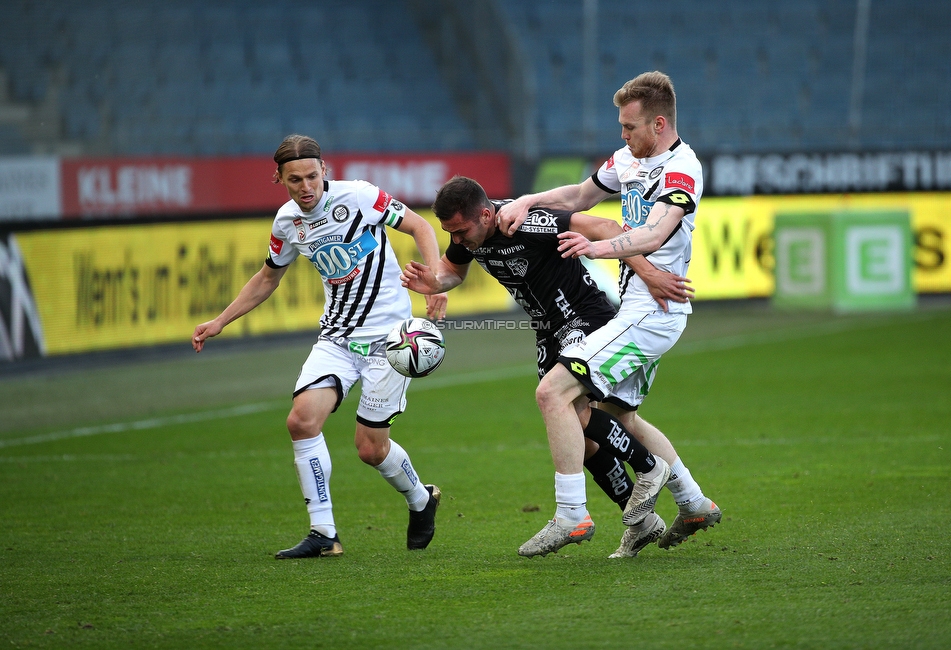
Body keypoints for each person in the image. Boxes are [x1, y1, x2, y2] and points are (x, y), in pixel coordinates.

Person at [403, 175, 706, 558]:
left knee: (565, 407)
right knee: (580, 438)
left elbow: (608, 227)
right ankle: (643, 521)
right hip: (548, 330)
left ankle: (641, 473)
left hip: (583, 319)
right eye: (451, 233)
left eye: (461, 231)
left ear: (485, 213)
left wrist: (647, 273)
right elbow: (453, 270)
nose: (458, 240)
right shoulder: (469, 233)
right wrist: (433, 283)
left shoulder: (528, 220)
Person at [496, 71, 722, 557]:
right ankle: (694, 502)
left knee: (553, 391)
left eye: (629, 127)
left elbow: (656, 234)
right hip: (638, 308)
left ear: (658, 124)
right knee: (620, 416)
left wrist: (597, 248)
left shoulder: (683, 170)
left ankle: (572, 516)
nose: (622, 135)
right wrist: (530, 199)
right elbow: (580, 197)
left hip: (651, 315)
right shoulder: (627, 160)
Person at [192, 134, 445, 558]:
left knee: (370, 449)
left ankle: (421, 500)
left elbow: (419, 226)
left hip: (391, 341)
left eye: (312, 175)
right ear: (279, 179)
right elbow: (268, 277)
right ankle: (324, 533)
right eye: (295, 180)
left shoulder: (361, 197)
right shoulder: (287, 223)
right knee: (301, 422)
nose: (306, 186)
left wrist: (435, 280)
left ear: (324, 171)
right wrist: (221, 319)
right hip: (336, 339)